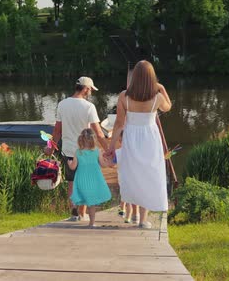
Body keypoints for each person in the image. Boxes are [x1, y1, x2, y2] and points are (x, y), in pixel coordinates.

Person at [106, 60, 172, 229]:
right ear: (152, 77)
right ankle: (143, 219)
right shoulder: (157, 97)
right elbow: (168, 108)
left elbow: (119, 124)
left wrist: (111, 146)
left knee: (132, 173)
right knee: (148, 175)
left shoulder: (124, 96)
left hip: (131, 137)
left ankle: (134, 214)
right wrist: (162, 88)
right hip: (150, 138)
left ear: (134, 76)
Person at [46, 77, 109, 221]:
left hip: (68, 151)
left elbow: (57, 131)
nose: (91, 92)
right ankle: (82, 214)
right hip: (85, 152)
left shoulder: (62, 104)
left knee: (72, 182)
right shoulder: (88, 107)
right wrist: (108, 149)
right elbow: (99, 133)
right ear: (86, 88)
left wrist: (50, 148)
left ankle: (74, 213)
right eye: (91, 89)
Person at [67, 128, 112, 227]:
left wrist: (69, 163)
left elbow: (73, 167)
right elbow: (103, 164)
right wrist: (108, 162)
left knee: (78, 195)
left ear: (81, 140)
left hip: (81, 180)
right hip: (94, 180)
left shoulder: (78, 152)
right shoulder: (97, 151)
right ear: (93, 140)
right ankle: (91, 224)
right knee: (91, 204)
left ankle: (75, 206)